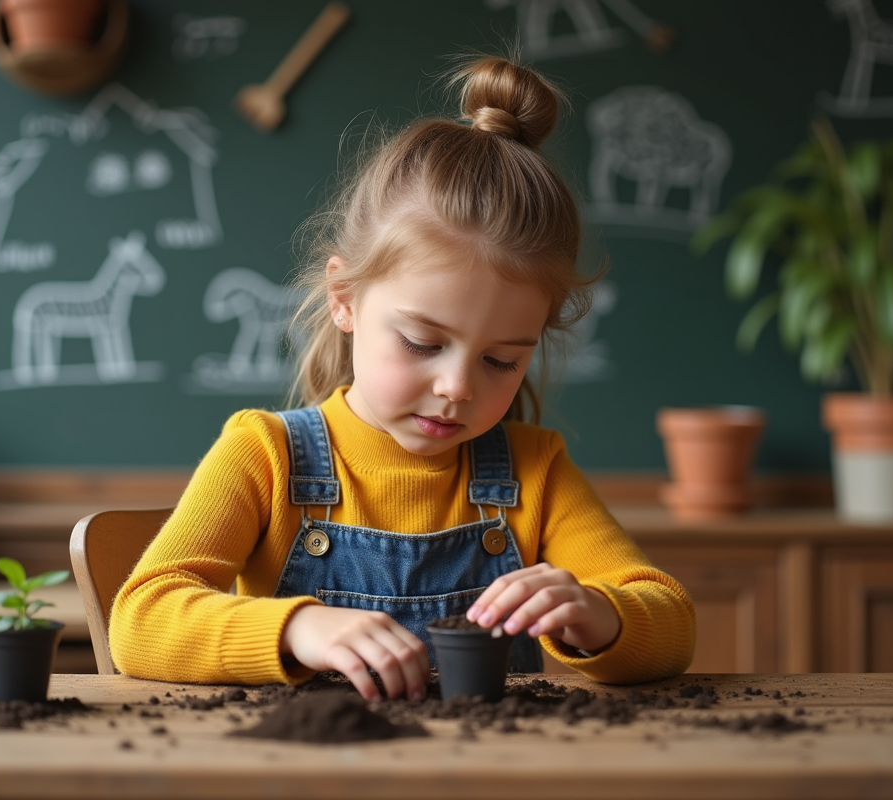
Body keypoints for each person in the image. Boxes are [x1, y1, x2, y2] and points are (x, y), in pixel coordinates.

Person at [109, 55, 696, 702]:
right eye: (423, 343)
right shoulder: (264, 456)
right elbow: (140, 621)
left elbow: (668, 620)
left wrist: (600, 615)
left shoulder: (535, 472)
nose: (457, 387)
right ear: (345, 298)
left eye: (502, 360)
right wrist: (298, 627)